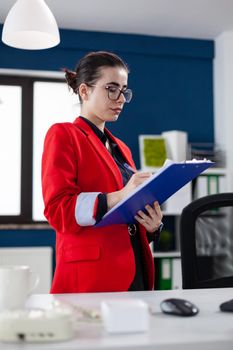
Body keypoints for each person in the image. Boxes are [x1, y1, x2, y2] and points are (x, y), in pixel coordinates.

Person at [42, 51, 163, 293]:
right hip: (92, 274)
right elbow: (57, 210)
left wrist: (152, 226)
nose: (120, 98)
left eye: (124, 90)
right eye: (111, 88)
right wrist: (119, 195)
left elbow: (124, 217)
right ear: (84, 91)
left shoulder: (122, 148)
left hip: (134, 267)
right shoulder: (64, 135)